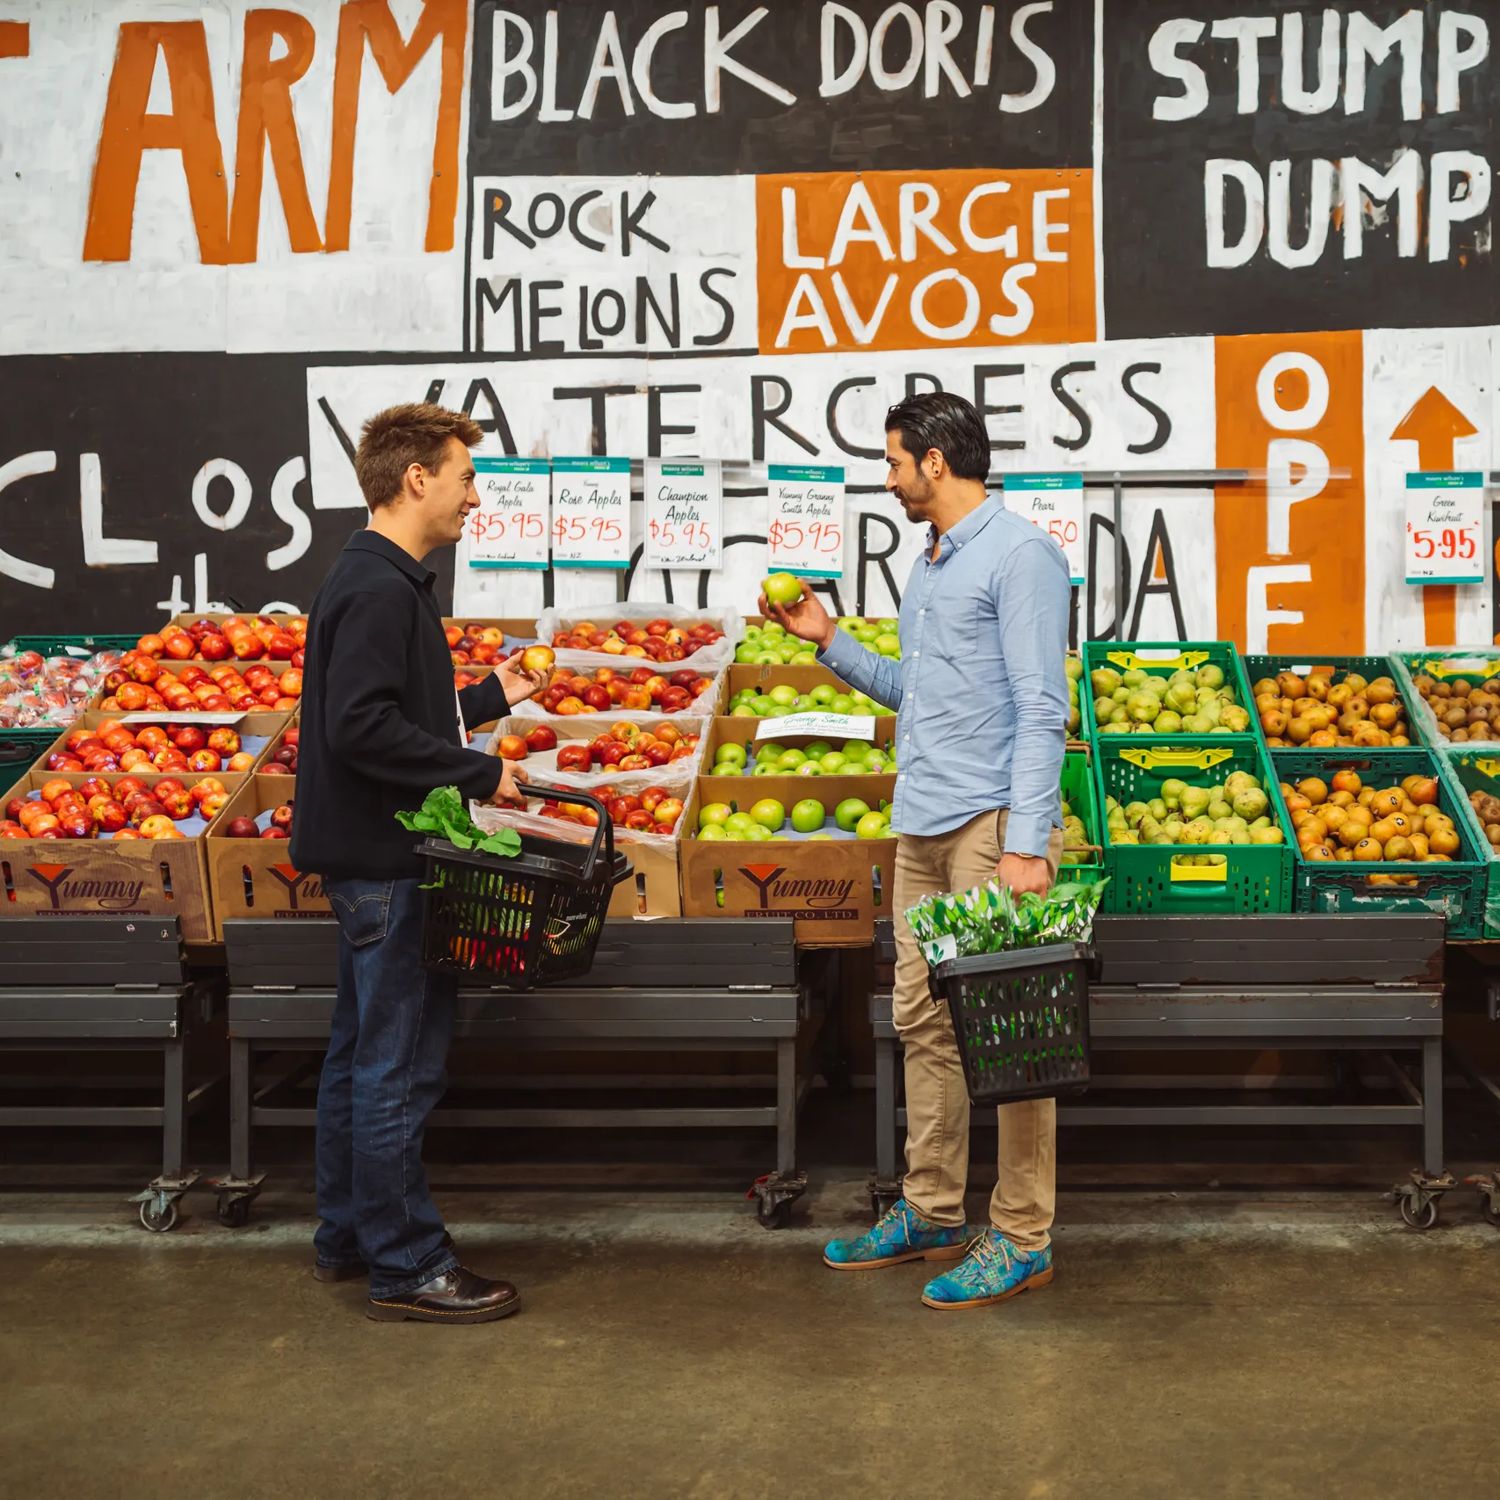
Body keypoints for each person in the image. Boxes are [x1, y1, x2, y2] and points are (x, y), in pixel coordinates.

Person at [760, 391, 1071, 1311]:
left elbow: (1041, 706)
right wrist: (828, 644)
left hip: (988, 827)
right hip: (923, 824)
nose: (888, 478)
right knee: (924, 1025)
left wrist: (1025, 842)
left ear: (936, 462)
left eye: (895, 462)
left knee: (1011, 1034)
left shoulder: (1021, 556)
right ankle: (934, 1207)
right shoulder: (930, 563)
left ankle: (1022, 1233)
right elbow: (915, 690)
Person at [291, 402, 546, 1324]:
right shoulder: (376, 588)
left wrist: (482, 698)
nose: (475, 496)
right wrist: (483, 771)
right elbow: (360, 727)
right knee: (397, 1065)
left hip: (370, 862)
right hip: (389, 867)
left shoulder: (376, 580)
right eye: (466, 476)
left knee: (361, 1058)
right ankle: (406, 1262)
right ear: (417, 479)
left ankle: (349, 1235)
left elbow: (389, 708)